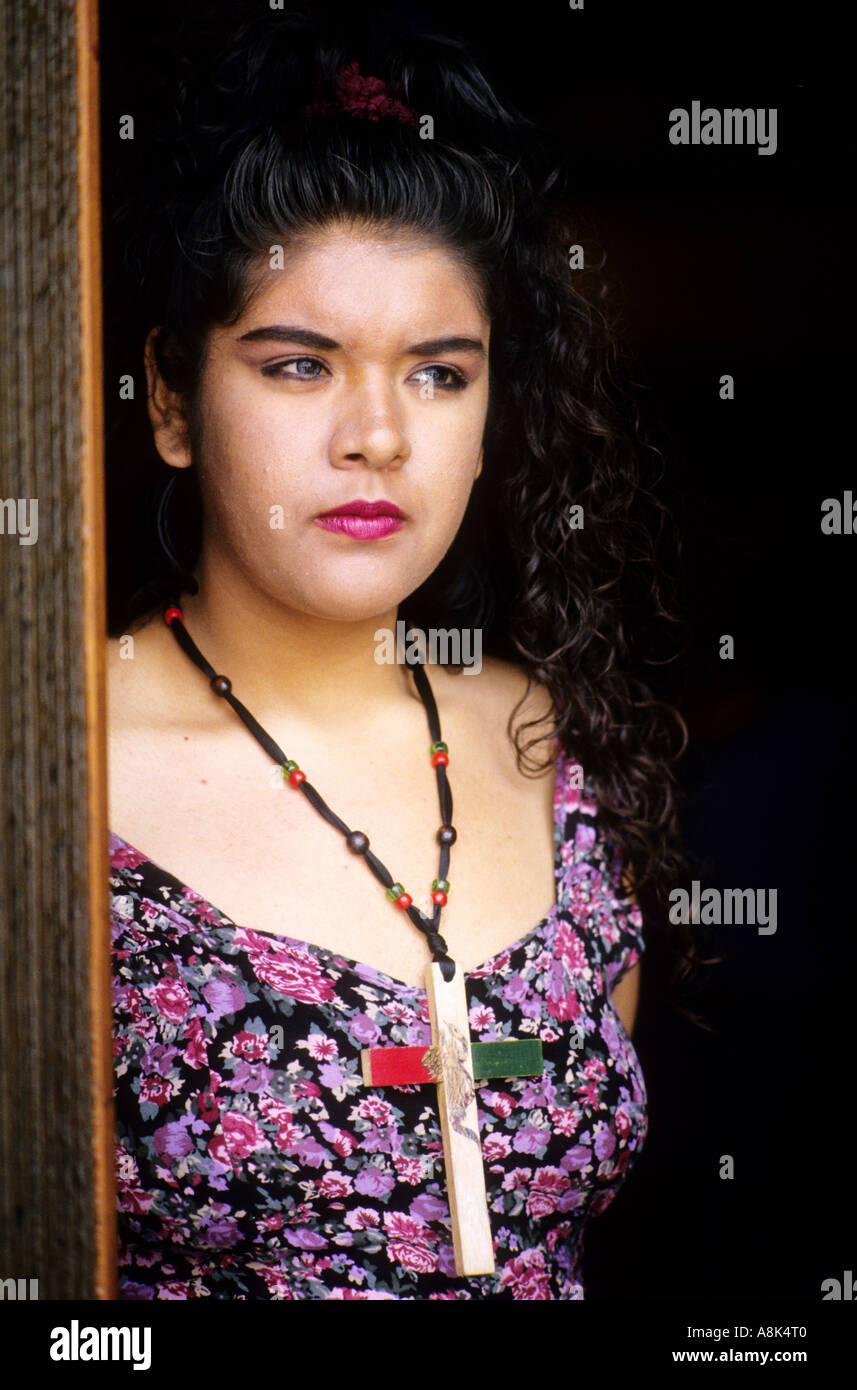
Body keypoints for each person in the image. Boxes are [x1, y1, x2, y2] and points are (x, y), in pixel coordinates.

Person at [106, 5, 692, 1299]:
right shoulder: (55, 763)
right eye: (299, 365)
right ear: (168, 399)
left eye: (437, 373)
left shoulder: (540, 745)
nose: (375, 433)